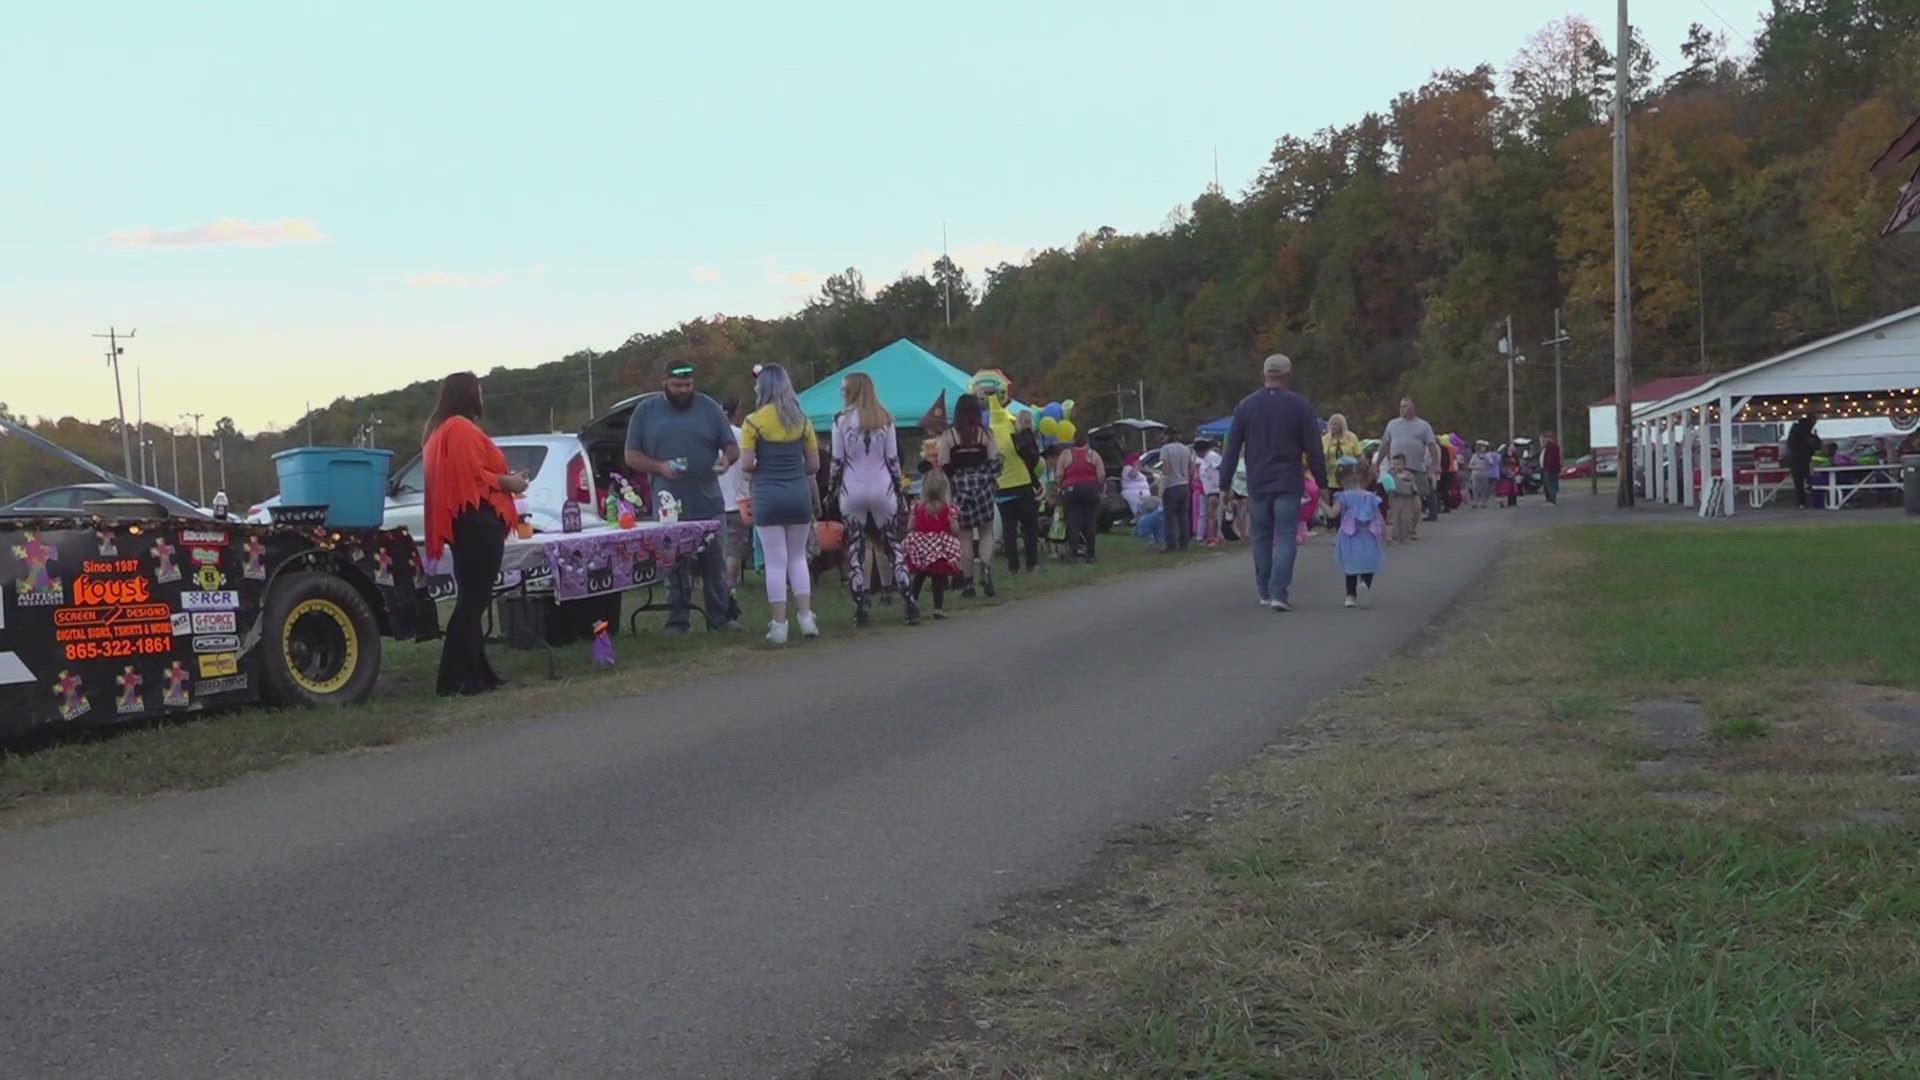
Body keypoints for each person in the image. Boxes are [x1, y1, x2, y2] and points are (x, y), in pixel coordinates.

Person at [423, 373, 526, 696]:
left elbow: (467, 472)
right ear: (469, 394)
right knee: (473, 602)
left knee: (473, 600)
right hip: (477, 522)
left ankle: (477, 673)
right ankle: (455, 678)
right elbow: (470, 473)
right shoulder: (459, 428)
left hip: (466, 523)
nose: (482, 397)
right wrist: (506, 482)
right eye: (479, 391)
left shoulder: (441, 430)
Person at [625, 360, 744, 634]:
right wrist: (660, 467)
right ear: (664, 382)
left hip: (709, 502)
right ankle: (678, 620)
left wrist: (726, 460)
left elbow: (731, 446)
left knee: (715, 566)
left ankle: (721, 618)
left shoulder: (709, 408)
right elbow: (631, 456)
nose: (683, 390)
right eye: (677, 385)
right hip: (669, 506)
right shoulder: (646, 412)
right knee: (674, 568)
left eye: (688, 385)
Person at [1217, 354, 1328, 611]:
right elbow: (1314, 448)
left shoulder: (1245, 407)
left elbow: (1232, 449)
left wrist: (1224, 485)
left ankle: (1264, 589)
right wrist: (1322, 483)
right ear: (1288, 375)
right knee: (1287, 534)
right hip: (1288, 480)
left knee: (1261, 536)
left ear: (1263, 375)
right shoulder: (1300, 406)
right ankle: (1280, 592)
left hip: (1258, 481)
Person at [738, 364, 821, 645]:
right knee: (798, 559)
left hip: (768, 497)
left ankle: (779, 625)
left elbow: (747, 465)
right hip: (798, 496)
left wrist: (764, 463)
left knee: (775, 563)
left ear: (763, 388)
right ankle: (806, 617)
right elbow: (814, 465)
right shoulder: (803, 422)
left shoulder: (752, 422)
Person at [832, 372, 916, 626]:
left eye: (844, 388)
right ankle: (909, 602)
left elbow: (837, 461)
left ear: (853, 390)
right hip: (882, 488)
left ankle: (861, 608)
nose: (841, 392)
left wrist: (830, 492)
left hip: (852, 489)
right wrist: (900, 494)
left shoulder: (840, 420)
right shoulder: (886, 419)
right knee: (893, 545)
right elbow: (893, 461)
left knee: (856, 548)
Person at [935, 393, 1003, 596]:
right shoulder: (986, 434)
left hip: (959, 487)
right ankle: (987, 567)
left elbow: (944, 464)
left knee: (964, 536)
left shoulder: (950, 435)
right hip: (982, 485)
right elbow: (995, 461)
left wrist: (954, 483)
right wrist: (988, 479)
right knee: (986, 532)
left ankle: (968, 583)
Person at [985, 386, 1041, 578]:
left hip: (1002, 489)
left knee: (1009, 530)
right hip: (1022, 484)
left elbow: (995, 408)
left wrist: (990, 395)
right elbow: (1033, 461)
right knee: (1030, 527)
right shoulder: (1017, 436)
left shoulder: (994, 433)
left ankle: (1013, 568)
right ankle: (1032, 564)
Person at [903, 467, 964, 621]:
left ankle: (911, 602)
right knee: (938, 578)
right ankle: (938, 607)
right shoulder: (948, 509)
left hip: (922, 547)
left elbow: (910, 527)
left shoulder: (917, 507)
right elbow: (955, 530)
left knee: (919, 576)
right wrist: (952, 522)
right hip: (939, 548)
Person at [1325, 461, 1383, 608]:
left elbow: (1332, 514)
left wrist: (1320, 503)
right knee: (1369, 563)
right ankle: (1365, 583)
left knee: (1350, 566)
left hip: (1349, 536)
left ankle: (1350, 596)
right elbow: (1379, 517)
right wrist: (1386, 534)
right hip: (1368, 535)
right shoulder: (1371, 496)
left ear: (1344, 480)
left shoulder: (1343, 496)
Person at [1381, 398, 1441, 527]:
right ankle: (1399, 526)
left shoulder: (1423, 426)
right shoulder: (1392, 424)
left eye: (1405, 406)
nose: (1402, 409)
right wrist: (1377, 464)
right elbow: (1385, 444)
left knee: (1416, 500)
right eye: (1401, 406)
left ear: (1413, 408)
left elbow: (1431, 446)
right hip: (1395, 468)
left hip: (1416, 468)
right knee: (1394, 498)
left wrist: (1436, 465)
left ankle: (1412, 527)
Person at [1057, 430, 1105, 562]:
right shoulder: (1093, 455)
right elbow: (1101, 475)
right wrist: (1098, 487)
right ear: (1086, 441)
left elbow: (1059, 474)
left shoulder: (1066, 454)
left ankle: (1073, 553)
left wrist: (1061, 486)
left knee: (1073, 522)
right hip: (1090, 489)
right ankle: (1091, 554)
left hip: (1071, 490)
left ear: (1073, 440)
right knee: (1090, 522)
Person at [719, 397, 751, 591]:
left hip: (716, 500)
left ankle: (719, 581)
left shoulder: (711, 438)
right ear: (736, 413)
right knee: (735, 547)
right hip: (740, 499)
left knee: (720, 546)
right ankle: (730, 584)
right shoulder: (742, 436)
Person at [1157, 429, 1195, 552]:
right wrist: (1189, 479)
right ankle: (1184, 543)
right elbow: (1192, 466)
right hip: (1184, 484)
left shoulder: (1166, 449)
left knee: (1170, 517)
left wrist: (1161, 485)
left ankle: (1171, 544)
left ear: (1167, 436)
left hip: (1171, 485)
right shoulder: (1186, 449)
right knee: (1183, 515)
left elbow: (1166, 466)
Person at [1785, 413, 1819, 509]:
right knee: (1811, 481)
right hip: (1805, 460)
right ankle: (1814, 499)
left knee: (1798, 483)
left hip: (1795, 461)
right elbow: (1815, 445)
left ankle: (1801, 501)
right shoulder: (1806, 434)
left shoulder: (1794, 432)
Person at [1386, 454, 1421, 542]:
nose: (1396, 466)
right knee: (1396, 517)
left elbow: (1413, 487)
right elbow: (1388, 488)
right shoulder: (1392, 476)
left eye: (1399, 464)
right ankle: (1396, 534)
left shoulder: (1409, 475)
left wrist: (1415, 493)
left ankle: (1406, 534)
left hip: (1408, 499)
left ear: (1404, 464)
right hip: (1396, 499)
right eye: (1394, 464)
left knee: (1406, 517)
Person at [1196, 438, 1224, 546]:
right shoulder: (1203, 459)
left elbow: (1220, 470)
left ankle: (1213, 538)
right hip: (1208, 490)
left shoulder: (1213, 457)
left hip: (1215, 489)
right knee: (1211, 515)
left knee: (1212, 515)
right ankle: (1213, 537)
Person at [1468, 440, 1494, 508]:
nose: (1483, 449)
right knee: (1475, 488)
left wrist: (1486, 458)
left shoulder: (1487, 455)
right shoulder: (1474, 456)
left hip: (1485, 473)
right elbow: (1470, 465)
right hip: (1476, 474)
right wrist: (1476, 467)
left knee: (1484, 488)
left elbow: (1491, 463)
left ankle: (1483, 502)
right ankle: (1475, 502)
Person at [1539, 431, 1562, 506]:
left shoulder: (1552, 446)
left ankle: (1552, 501)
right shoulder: (1546, 447)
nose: (1542, 441)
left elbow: (1551, 459)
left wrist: (1547, 468)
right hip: (1545, 469)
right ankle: (1549, 500)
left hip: (1550, 469)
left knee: (1551, 485)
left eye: (1543, 439)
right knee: (1547, 485)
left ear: (1548, 438)